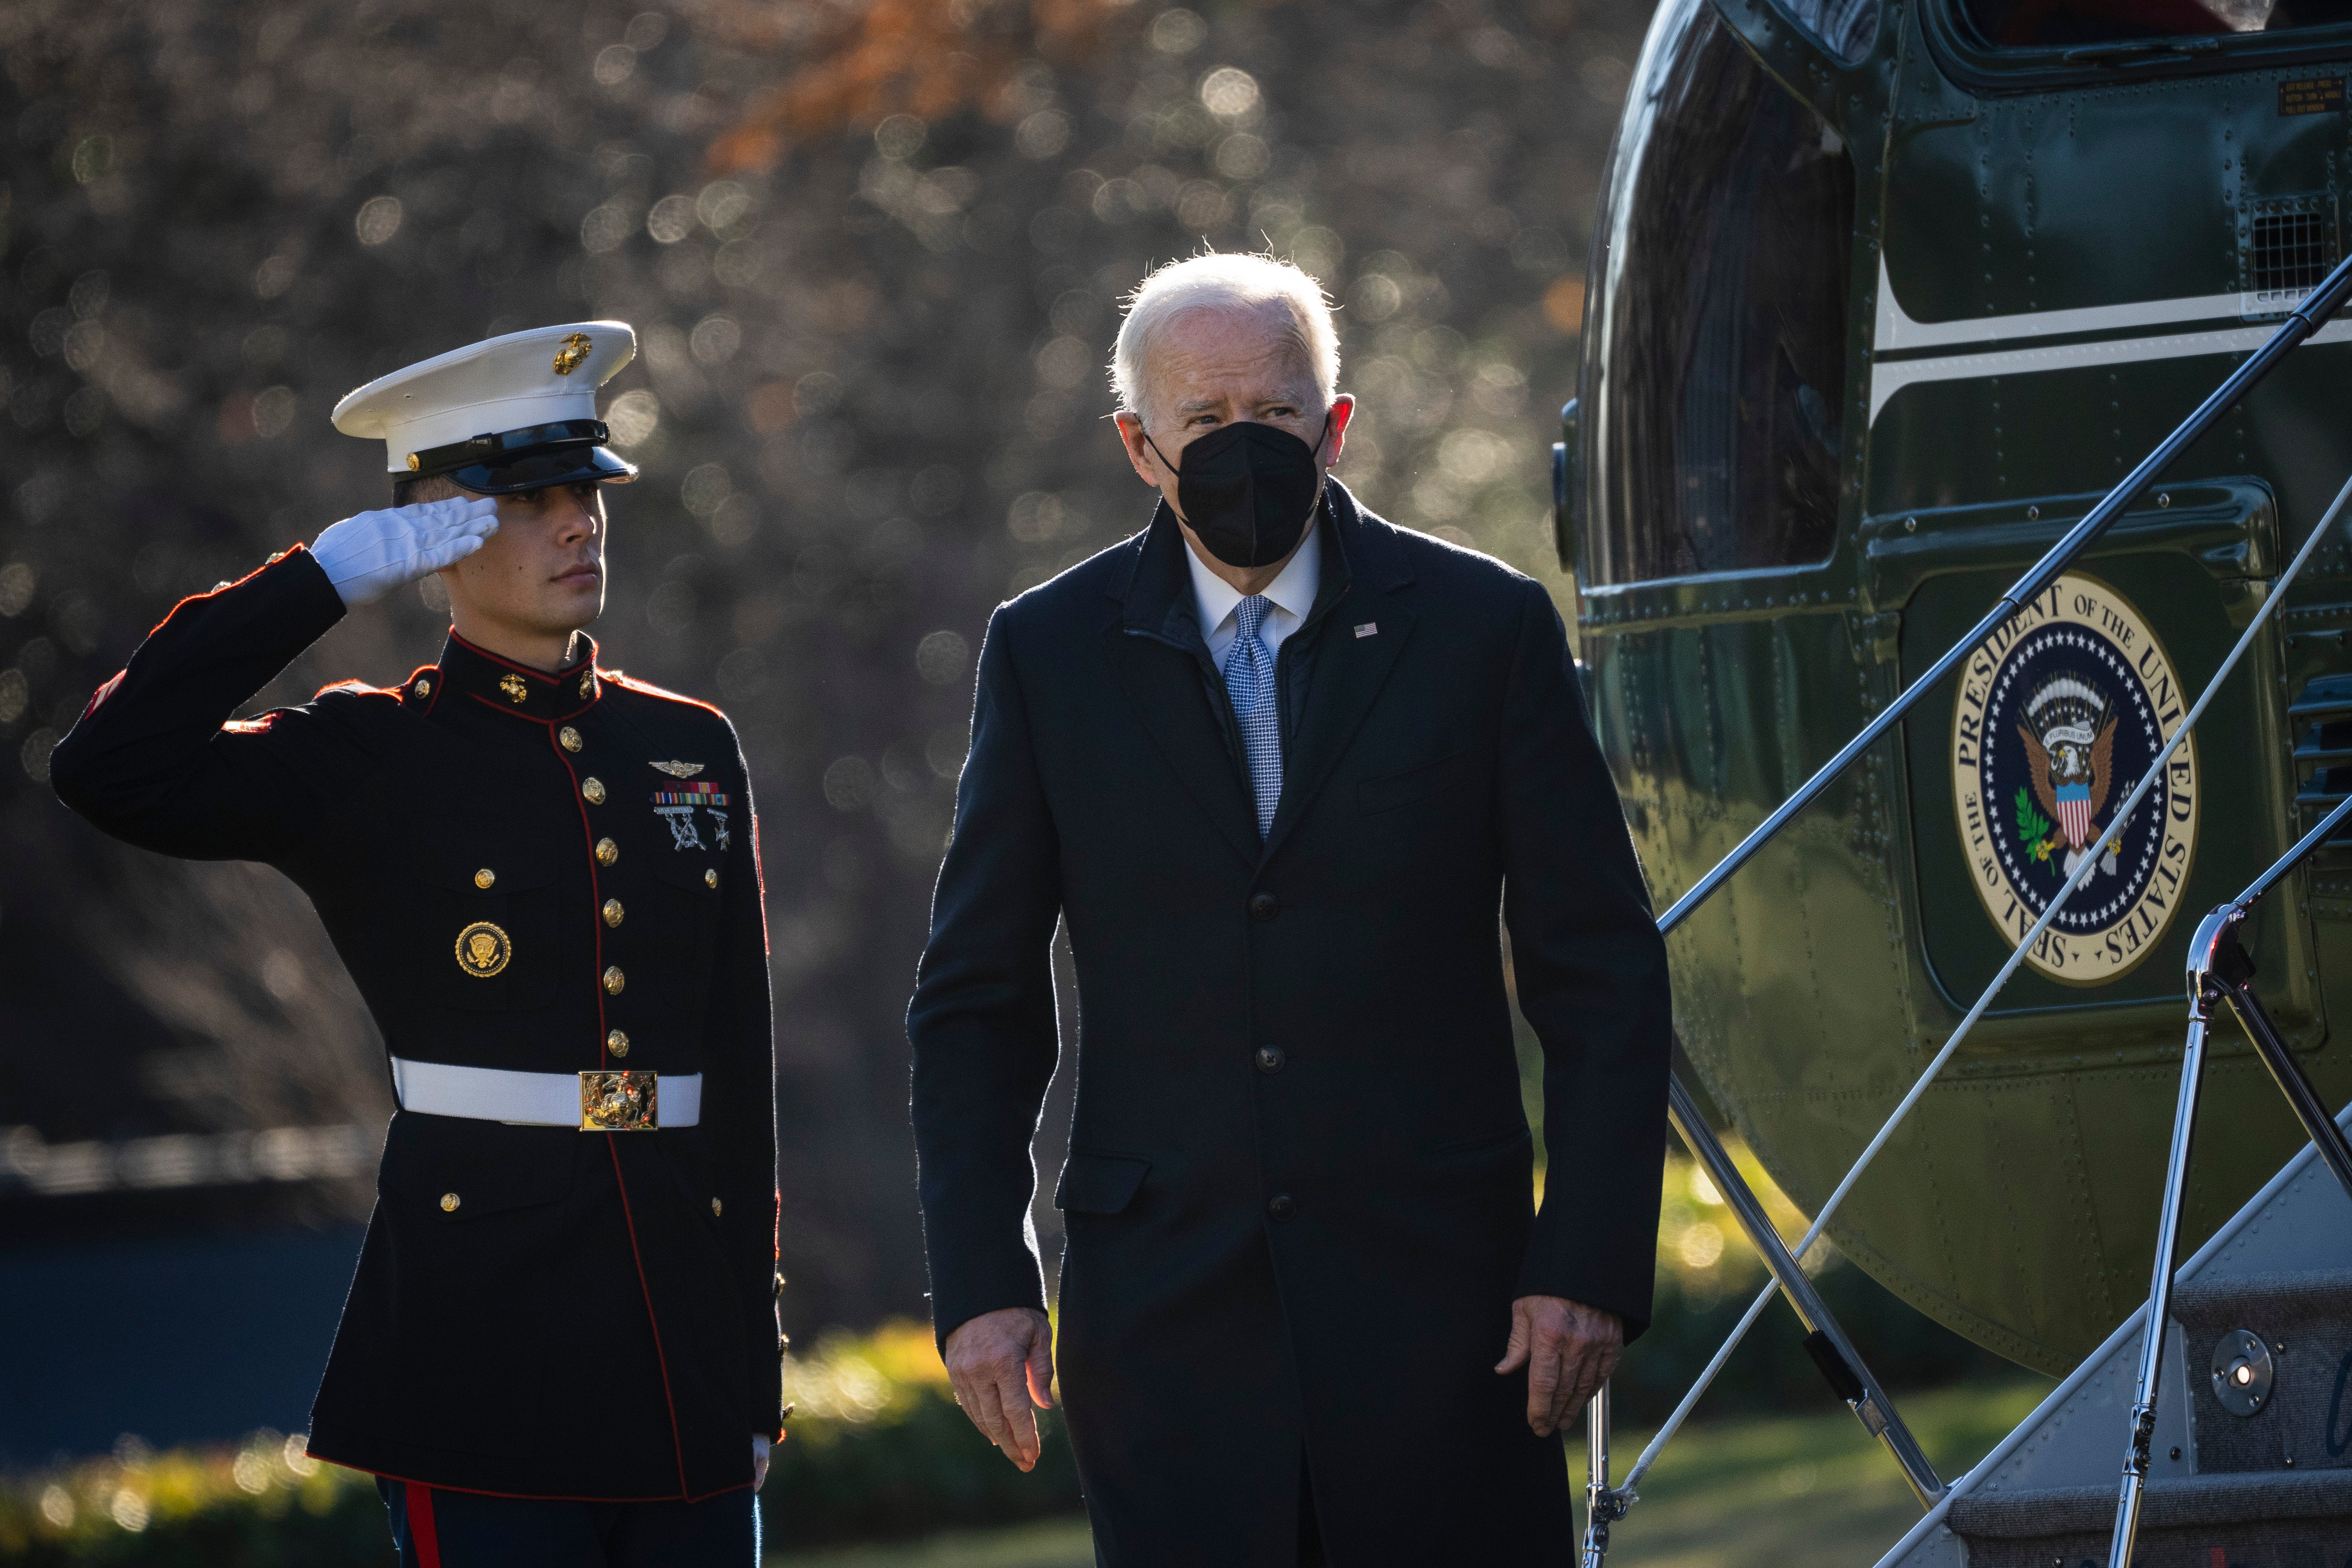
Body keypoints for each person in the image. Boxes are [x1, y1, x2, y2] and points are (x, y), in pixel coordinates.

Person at [907, 253, 1674, 1565]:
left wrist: (1589, 1261)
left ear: (1335, 423)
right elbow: (975, 1003)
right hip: (1163, 1330)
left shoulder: (1480, 629)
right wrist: (982, 1282)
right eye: (1203, 423)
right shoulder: (1048, 653)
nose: (1239, 447)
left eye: (1272, 414)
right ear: (1137, 446)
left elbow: (1598, 968)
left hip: (1450, 1316)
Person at [49, 323, 783, 1568]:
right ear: (436, 524)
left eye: (588, 493)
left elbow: (736, 1058)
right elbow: (108, 769)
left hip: (678, 1348)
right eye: (529, 500)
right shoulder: (371, 754)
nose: (577, 526)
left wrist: (750, 1360)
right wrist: (320, 581)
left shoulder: (687, 745)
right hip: (483, 1340)